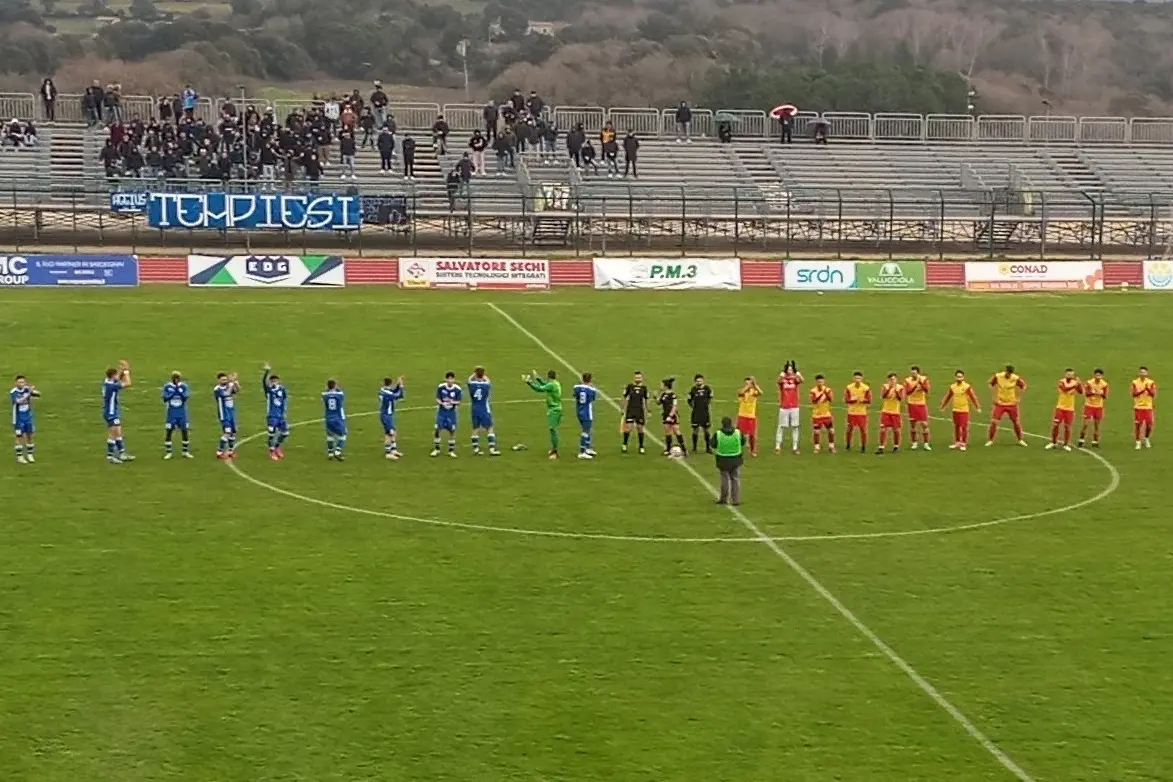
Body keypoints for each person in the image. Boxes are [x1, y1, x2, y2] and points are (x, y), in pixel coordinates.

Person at [525, 369, 563, 460]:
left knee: (553, 430)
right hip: (556, 409)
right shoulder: (555, 383)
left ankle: (555, 452)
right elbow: (545, 385)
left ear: (548, 376)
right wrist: (537, 378)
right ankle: (554, 449)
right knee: (553, 430)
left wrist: (529, 382)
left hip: (554, 410)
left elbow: (539, 389)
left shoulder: (551, 385)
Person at [987, 364, 1028, 447]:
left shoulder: (1015, 378)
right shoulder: (998, 376)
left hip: (1011, 404)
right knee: (994, 422)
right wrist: (994, 397)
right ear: (1005, 371)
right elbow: (990, 384)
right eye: (1007, 372)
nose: (1008, 374)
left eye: (1010, 373)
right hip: (1000, 403)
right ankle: (990, 440)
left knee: (1016, 422)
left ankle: (1020, 439)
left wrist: (1018, 398)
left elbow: (1023, 386)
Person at [940, 370, 981, 451]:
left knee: (964, 427)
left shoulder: (966, 387)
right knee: (956, 426)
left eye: (961, 377)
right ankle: (957, 442)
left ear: (963, 377)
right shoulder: (952, 387)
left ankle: (963, 443)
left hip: (964, 409)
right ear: (955, 377)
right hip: (955, 409)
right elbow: (948, 396)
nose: (959, 378)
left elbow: (973, 397)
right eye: (958, 376)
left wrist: (977, 407)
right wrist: (943, 406)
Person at [711, 416, 747, 505]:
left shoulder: (718, 433)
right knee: (735, 479)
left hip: (723, 460)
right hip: (736, 459)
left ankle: (724, 498)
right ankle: (736, 500)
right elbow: (743, 441)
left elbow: (713, 444)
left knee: (725, 479)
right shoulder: (738, 433)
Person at [103, 361, 134, 464]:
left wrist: (121, 369)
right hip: (111, 413)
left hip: (111, 411)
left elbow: (116, 378)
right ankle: (110, 456)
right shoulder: (112, 386)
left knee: (118, 433)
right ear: (113, 375)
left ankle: (122, 453)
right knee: (113, 434)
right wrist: (126, 371)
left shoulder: (107, 381)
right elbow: (128, 383)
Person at [1046, 369, 1082, 451]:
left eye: (1071, 374)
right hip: (1060, 407)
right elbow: (1065, 389)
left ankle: (1066, 444)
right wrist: (1076, 385)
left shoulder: (1075, 383)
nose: (1070, 376)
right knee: (1055, 425)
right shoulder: (1061, 381)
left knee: (1067, 427)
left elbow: (1081, 392)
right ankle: (1053, 442)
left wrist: (1079, 384)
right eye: (1068, 374)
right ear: (1065, 374)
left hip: (1070, 409)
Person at [468, 366, 500, 456]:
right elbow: (488, 381)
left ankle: (475, 449)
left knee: (475, 428)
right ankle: (492, 449)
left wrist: (474, 374)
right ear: (483, 375)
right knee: (489, 428)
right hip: (484, 409)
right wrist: (483, 375)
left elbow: (469, 380)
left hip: (474, 409)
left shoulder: (471, 384)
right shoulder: (486, 385)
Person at [161, 371, 192, 460]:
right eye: (175, 378)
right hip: (171, 412)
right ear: (172, 378)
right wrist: (173, 392)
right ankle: (168, 452)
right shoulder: (167, 386)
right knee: (169, 431)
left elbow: (185, 397)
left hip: (181, 412)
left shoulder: (183, 386)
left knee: (184, 430)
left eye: (178, 378)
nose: (176, 380)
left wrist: (179, 390)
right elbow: (165, 398)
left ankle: (185, 451)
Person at [774, 360, 802, 455]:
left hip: (794, 406)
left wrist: (797, 372)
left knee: (795, 426)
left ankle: (795, 447)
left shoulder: (795, 379)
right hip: (784, 406)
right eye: (788, 369)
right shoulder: (783, 379)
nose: (790, 370)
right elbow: (778, 381)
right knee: (781, 426)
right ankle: (778, 446)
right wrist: (782, 374)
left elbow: (802, 380)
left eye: (791, 369)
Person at [11, 374, 40, 464]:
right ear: (16, 383)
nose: (22, 384)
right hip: (18, 418)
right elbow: (19, 401)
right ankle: (20, 457)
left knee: (30, 435)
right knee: (19, 437)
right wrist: (29, 393)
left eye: (23, 382)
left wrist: (33, 392)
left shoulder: (27, 389)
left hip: (28, 417)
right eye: (20, 382)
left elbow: (38, 394)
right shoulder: (13, 392)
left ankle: (30, 455)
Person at [262, 365, 290, 460]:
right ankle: (271, 452)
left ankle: (277, 447)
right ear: (270, 382)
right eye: (272, 381)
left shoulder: (282, 389)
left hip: (280, 415)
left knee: (285, 433)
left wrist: (284, 412)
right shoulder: (269, 391)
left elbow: (284, 400)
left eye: (276, 381)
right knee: (271, 434)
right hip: (272, 416)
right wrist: (267, 371)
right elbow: (263, 382)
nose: (274, 382)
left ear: (278, 381)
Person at [433, 372, 462, 458]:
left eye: (451, 379)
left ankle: (451, 451)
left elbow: (459, 401)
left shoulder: (457, 389)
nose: (450, 381)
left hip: (451, 413)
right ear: (446, 379)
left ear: (454, 379)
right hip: (441, 412)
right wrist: (441, 403)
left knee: (452, 431)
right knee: (437, 429)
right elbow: (437, 398)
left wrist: (452, 402)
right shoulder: (441, 387)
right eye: (448, 379)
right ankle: (437, 449)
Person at [621, 370, 650, 454]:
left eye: (639, 377)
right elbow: (624, 398)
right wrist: (622, 409)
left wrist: (648, 411)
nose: (638, 379)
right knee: (628, 428)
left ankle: (641, 446)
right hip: (630, 410)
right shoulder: (629, 387)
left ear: (642, 378)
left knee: (640, 429)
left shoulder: (644, 388)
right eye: (637, 377)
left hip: (639, 411)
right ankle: (624, 444)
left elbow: (646, 400)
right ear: (634, 378)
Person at [1078, 368, 1109, 448]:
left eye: (1099, 375)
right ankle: (1081, 440)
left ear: (1102, 376)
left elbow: (1105, 396)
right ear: (1094, 375)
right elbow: (1087, 394)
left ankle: (1095, 441)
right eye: (1097, 375)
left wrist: (1101, 394)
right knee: (1085, 424)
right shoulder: (1089, 382)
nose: (1098, 377)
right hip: (1089, 406)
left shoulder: (1104, 384)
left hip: (1099, 407)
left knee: (1097, 425)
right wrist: (1094, 392)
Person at [903, 365, 932, 450]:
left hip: (921, 404)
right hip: (911, 403)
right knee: (913, 424)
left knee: (924, 424)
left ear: (918, 373)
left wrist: (922, 384)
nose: (913, 374)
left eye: (914, 373)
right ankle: (914, 443)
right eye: (912, 373)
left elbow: (927, 390)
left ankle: (926, 444)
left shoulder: (924, 379)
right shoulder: (907, 380)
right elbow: (908, 392)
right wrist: (915, 386)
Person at [213, 371, 239, 460]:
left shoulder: (229, 386)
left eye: (225, 379)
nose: (224, 381)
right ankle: (219, 452)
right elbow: (226, 393)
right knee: (227, 432)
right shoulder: (217, 389)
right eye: (222, 379)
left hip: (231, 413)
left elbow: (237, 391)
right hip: (224, 414)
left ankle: (231, 451)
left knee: (233, 432)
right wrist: (231, 382)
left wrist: (235, 382)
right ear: (218, 380)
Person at [573, 372, 599, 460]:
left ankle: (587, 448)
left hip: (579, 410)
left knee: (587, 430)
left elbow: (575, 396)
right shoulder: (592, 390)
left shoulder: (576, 387)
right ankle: (582, 452)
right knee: (586, 431)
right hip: (587, 412)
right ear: (590, 379)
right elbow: (593, 399)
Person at [844, 371, 871, 453]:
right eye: (856, 378)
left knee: (863, 430)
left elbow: (869, 400)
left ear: (861, 379)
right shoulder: (849, 387)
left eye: (859, 378)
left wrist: (863, 400)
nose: (857, 379)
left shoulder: (866, 388)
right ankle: (848, 445)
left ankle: (863, 446)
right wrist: (854, 400)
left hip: (862, 413)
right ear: (853, 378)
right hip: (851, 412)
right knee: (849, 429)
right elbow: (846, 400)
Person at [658, 377, 686, 456]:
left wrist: (670, 415)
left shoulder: (673, 395)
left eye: (661, 385)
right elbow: (659, 403)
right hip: (665, 415)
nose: (660, 386)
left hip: (673, 415)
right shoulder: (663, 394)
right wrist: (656, 395)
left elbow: (675, 406)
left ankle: (684, 449)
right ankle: (668, 449)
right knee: (667, 432)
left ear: (665, 386)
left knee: (676, 431)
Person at [877, 373, 904, 454]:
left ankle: (896, 446)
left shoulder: (900, 387)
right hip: (886, 411)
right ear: (888, 380)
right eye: (891, 380)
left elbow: (900, 398)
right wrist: (889, 389)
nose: (892, 381)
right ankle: (881, 447)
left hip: (895, 412)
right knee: (882, 429)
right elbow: (883, 396)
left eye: (894, 379)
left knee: (896, 430)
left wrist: (895, 390)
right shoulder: (885, 386)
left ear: (896, 380)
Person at [379, 376, 405, 460]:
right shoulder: (387, 393)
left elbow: (393, 391)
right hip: (386, 416)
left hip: (387, 415)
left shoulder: (383, 390)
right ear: (390, 383)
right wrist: (401, 385)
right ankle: (388, 453)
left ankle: (393, 450)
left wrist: (397, 385)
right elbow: (399, 395)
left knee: (393, 432)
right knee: (390, 433)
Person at [1131, 366, 1157, 449]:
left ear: (1147, 373)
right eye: (1141, 372)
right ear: (1139, 373)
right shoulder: (1135, 382)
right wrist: (1143, 390)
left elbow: (1153, 395)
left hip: (1148, 407)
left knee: (1149, 425)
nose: (1143, 374)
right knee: (1138, 425)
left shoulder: (1151, 382)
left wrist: (1148, 389)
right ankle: (1138, 441)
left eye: (1144, 372)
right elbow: (1133, 394)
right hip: (1138, 407)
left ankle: (1146, 438)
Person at [736, 376, 762, 456]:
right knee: (739, 434)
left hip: (751, 416)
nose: (748, 384)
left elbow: (761, 393)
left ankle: (752, 450)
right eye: (747, 382)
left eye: (749, 382)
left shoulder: (754, 392)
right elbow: (740, 393)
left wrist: (755, 385)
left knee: (752, 435)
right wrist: (748, 386)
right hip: (742, 415)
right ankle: (737, 449)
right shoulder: (742, 391)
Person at [687, 373, 713, 454]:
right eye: (697, 381)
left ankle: (708, 448)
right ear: (695, 382)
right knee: (695, 430)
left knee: (706, 431)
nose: (699, 382)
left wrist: (706, 405)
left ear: (703, 381)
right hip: (696, 413)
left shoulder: (707, 389)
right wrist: (693, 407)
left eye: (700, 381)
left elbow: (710, 398)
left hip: (705, 413)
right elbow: (689, 400)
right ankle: (694, 448)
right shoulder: (693, 390)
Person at [809, 374, 835, 454]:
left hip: (826, 414)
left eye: (821, 381)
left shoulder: (827, 390)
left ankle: (831, 446)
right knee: (816, 431)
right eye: (819, 382)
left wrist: (827, 394)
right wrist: (821, 394)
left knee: (831, 430)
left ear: (824, 381)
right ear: (816, 382)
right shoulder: (813, 391)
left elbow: (831, 399)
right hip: (817, 415)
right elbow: (814, 401)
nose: (820, 383)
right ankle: (817, 447)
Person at [322, 379, 347, 460]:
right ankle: (337, 451)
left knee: (330, 435)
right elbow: (341, 393)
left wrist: (328, 389)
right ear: (335, 385)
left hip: (328, 418)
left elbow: (325, 395)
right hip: (337, 418)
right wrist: (337, 388)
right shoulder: (340, 395)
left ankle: (330, 453)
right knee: (343, 434)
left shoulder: (324, 395)